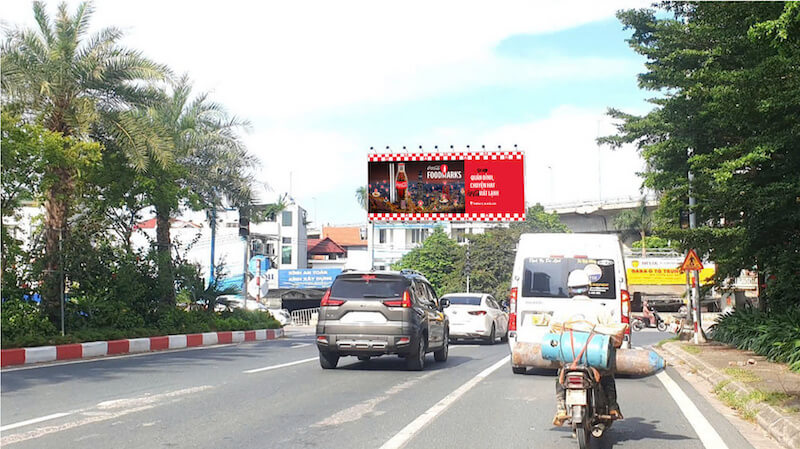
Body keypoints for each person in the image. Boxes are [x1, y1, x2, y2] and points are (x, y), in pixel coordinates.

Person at [551, 269, 623, 427]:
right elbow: (612, 330)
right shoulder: (599, 308)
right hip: (594, 357)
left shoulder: (562, 309)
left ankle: (561, 408)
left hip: (569, 357)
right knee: (607, 375)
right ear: (588, 288)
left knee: (561, 374)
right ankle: (612, 407)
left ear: (570, 289)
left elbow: (553, 331)